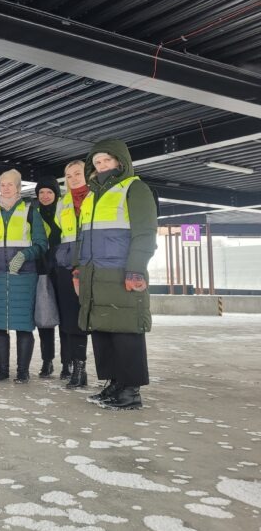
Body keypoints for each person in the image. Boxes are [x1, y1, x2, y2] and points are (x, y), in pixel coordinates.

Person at [75, 140, 158, 410]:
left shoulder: (135, 189)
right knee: (102, 331)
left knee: (126, 331)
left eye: (107, 161)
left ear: (120, 162)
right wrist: (78, 268)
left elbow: (145, 233)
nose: (101, 166)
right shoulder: (91, 195)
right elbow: (82, 237)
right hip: (93, 274)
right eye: (97, 162)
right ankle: (114, 384)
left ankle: (130, 391)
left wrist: (136, 269)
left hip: (121, 273)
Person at [0, 169, 47, 383]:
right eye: (2, 184)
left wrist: (25, 254)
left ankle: (23, 372)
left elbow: (41, 244)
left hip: (23, 277)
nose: (5, 188)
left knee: (23, 325)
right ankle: (3, 371)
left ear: (18, 187)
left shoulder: (30, 211)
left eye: (10, 184)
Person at [54, 160, 91, 385]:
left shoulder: (97, 197)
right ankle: (77, 367)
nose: (74, 179)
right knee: (71, 317)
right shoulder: (63, 202)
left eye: (78, 174)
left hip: (91, 264)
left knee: (91, 318)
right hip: (67, 265)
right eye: (69, 176)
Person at [33, 176, 66, 379]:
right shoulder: (34, 215)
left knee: (66, 319)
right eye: (41, 193)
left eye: (49, 192)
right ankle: (47, 361)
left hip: (62, 270)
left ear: (56, 194)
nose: (45, 196)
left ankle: (67, 363)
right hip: (42, 271)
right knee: (45, 317)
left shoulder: (63, 213)